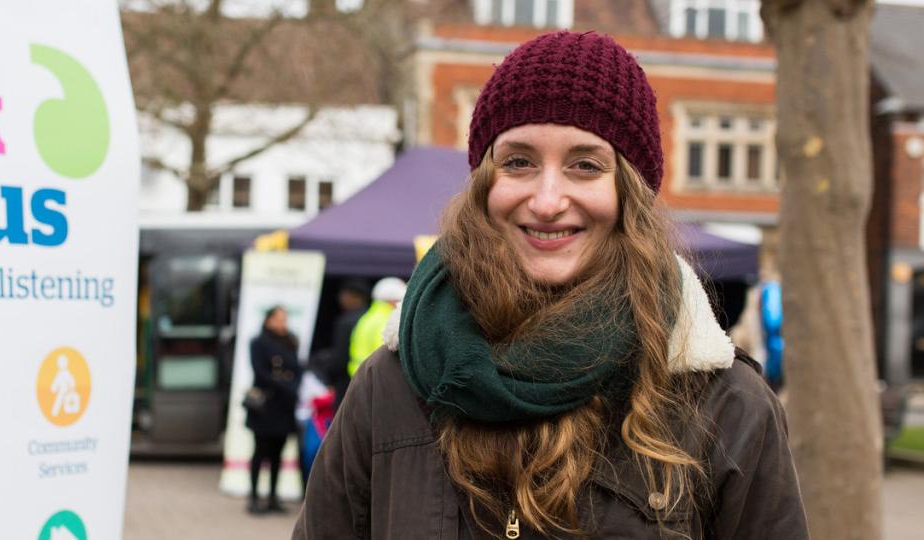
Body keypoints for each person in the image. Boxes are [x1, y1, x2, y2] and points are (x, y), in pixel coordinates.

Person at [295, 31, 807, 539]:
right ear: (484, 184)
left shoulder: (723, 404)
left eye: (585, 166)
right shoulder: (391, 385)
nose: (546, 200)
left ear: (629, 193)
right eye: (518, 161)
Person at [246, 305, 302, 515]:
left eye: (284, 318)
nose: (283, 323)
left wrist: (292, 386)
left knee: (278, 453)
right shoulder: (258, 342)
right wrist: (287, 385)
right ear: (268, 320)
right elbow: (261, 373)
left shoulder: (291, 340)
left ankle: (272, 497)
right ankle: (253, 497)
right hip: (265, 406)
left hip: (284, 407)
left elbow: (297, 368)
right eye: (278, 318)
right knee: (260, 452)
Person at [347, 277, 405, 377]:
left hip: (360, 376)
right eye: (399, 300)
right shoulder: (387, 320)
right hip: (375, 376)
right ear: (392, 300)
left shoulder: (368, 317)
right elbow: (386, 353)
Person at [326, 280, 370, 402]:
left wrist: (329, 379)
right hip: (370, 380)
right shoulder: (373, 319)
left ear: (355, 297)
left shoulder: (346, 322)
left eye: (343, 295)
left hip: (347, 382)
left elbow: (339, 358)